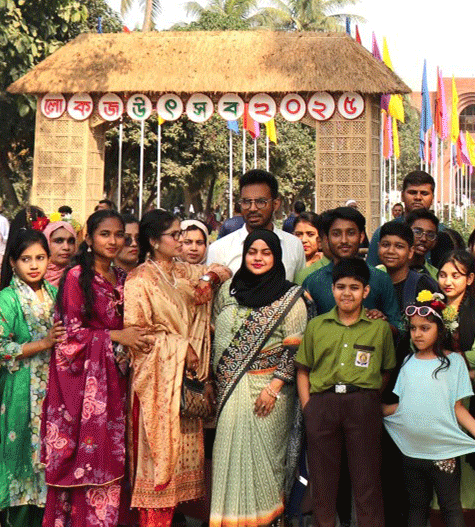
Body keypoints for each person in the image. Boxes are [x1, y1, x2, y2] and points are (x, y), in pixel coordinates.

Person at [42, 209, 151, 527]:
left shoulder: (123, 278)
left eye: (119, 235)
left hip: (115, 385)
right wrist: (116, 336)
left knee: (112, 459)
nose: (114, 241)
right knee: (83, 461)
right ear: (88, 238)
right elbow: (69, 336)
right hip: (81, 391)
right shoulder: (76, 278)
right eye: (105, 234)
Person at [126, 210, 228, 527]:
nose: (181, 240)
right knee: (157, 469)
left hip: (182, 384)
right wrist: (181, 347)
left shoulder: (181, 271)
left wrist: (210, 278)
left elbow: (218, 273)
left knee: (177, 478)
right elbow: (137, 336)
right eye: (174, 235)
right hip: (155, 385)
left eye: (181, 233)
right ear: (154, 241)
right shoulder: (139, 280)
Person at [208, 229, 309, 527]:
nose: (258, 258)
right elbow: (213, 331)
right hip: (229, 389)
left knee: (264, 463)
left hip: (269, 393)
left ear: (276, 256)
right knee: (228, 458)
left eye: (266, 253)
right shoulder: (228, 291)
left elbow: (295, 349)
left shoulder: (291, 297)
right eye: (252, 252)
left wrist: (274, 388)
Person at [294, 257, 395, 527]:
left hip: (363, 405)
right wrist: (308, 408)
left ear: (366, 291)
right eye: (340, 287)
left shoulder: (379, 329)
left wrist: (369, 397)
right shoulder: (317, 326)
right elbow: (303, 369)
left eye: (354, 287)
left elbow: (386, 370)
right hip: (322, 405)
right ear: (332, 289)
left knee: (367, 479)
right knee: (323, 480)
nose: (346, 293)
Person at [382, 292, 475, 527]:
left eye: (425, 328)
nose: (418, 334)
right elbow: (406, 406)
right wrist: (375, 409)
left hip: (443, 452)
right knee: (416, 508)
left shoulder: (454, 362)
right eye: (413, 329)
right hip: (411, 451)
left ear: (440, 330)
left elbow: (457, 408)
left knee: (450, 508)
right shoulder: (408, 362)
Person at [0, 229, 58, 527]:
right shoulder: (6, 299)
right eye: (26, 259)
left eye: (40, 257)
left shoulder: (56, 294)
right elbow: (1, 347)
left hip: (55, 392)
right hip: (21, 391)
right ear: (12, 262)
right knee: (21, 458)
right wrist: (44, 343)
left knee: (51, 461)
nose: (34, 265)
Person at [302, 206, 398, 318]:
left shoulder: (380, 279)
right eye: (336, 234)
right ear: (327, 239)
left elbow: (396, 323)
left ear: (361, 236)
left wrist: (381, 320)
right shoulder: (313, 282)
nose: (344, 240)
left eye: (351, 233)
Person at [207, 170, 305, 277]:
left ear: (276, 204)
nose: (252, 208)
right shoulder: (219, 249)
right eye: (246, 202)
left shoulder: (293, 245)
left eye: (261, 202)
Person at [367, 172, 439, 268]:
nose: (418, 197)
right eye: (412, 192)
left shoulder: (442, 233)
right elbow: (370, 271)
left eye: (424, 193)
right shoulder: (384, 232)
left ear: (433, 198)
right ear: (402, 196)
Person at [291, 211, 327, 284]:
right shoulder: (286, 261)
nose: (303, 240)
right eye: (298, 234)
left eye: (310, 234)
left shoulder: (328, 265)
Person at [41, 221, 76, 286]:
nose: (66, 247)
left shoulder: (81, 276)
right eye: (59, 241)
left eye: (71, 241)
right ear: (46, 243)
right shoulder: (34, 274)